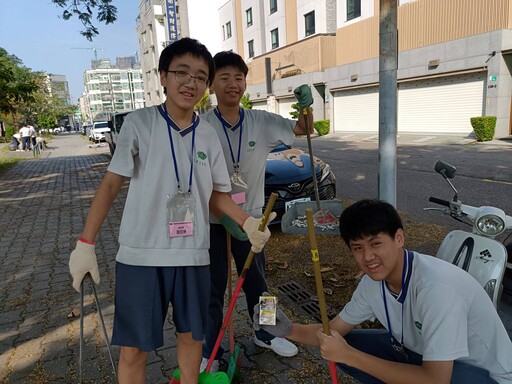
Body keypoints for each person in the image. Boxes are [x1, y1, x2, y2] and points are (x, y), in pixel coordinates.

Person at [68, 38, 275, 384]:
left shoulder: (207, 135)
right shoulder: (140, 124)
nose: (190, 83)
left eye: (199, 76)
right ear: (163, 76)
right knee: (134, 349)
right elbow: (110, 185)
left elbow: (217, 197)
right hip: (140, 255)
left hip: (194, 255)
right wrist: (86, 243)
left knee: (193, 339)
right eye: (182, 73)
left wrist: (248, 222)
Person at [254, 199, 512, 383]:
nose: (368, 257)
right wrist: (286, 329)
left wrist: (350, 356)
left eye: (376, 243)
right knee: (342, 343)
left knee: (348, 351)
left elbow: (436, 380)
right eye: (357, 248)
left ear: (399, 238)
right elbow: (331, 332)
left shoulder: (436, 288)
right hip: (426, 358)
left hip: (481, 375)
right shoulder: (372, 283)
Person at [199, 51, 314, 372]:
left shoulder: (261, 121)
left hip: (252, 221)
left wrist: (306, 104)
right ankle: (210, 348)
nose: (233, 84)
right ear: (212, 84)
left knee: (259, 284)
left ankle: (266, 331)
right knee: (212, 288)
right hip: (213, 220)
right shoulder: (202, 125)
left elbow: (304, 128)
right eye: (225, 77)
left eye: (239, 77)